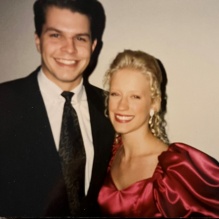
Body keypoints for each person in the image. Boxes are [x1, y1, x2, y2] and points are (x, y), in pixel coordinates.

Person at [0, 0, 114, 217]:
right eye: (56, 35)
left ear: (93, 46)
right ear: (37, 40)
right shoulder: (3, 103)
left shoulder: (112, 107)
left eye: (80, 38)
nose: (69, 49)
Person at [98, 49, 219, 217]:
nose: (121, 106)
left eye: (135, 97)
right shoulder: (108, 154)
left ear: (154, 103)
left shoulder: (175, 168)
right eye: (115, 94)